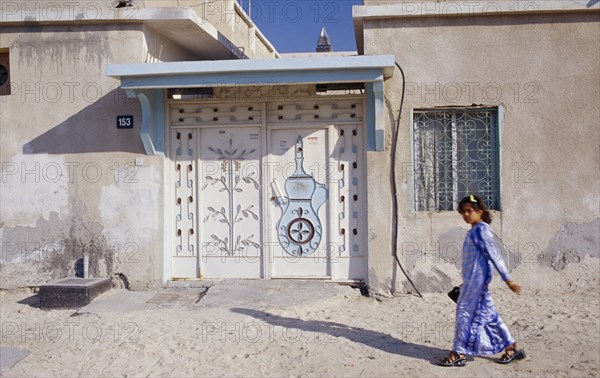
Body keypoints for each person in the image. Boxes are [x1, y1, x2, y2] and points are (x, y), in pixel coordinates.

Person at [438, 194, 526, 367]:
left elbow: (495, 256)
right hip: (473, 283)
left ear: (480, 211)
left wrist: (508, 280)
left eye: (470, 211)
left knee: (463, 315)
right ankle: (511, 347)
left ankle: (458, 353)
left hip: (476, 285)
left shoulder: (481, 231)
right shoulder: (475, 230)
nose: (466, 215)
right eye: (463, 211)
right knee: (490, 317)